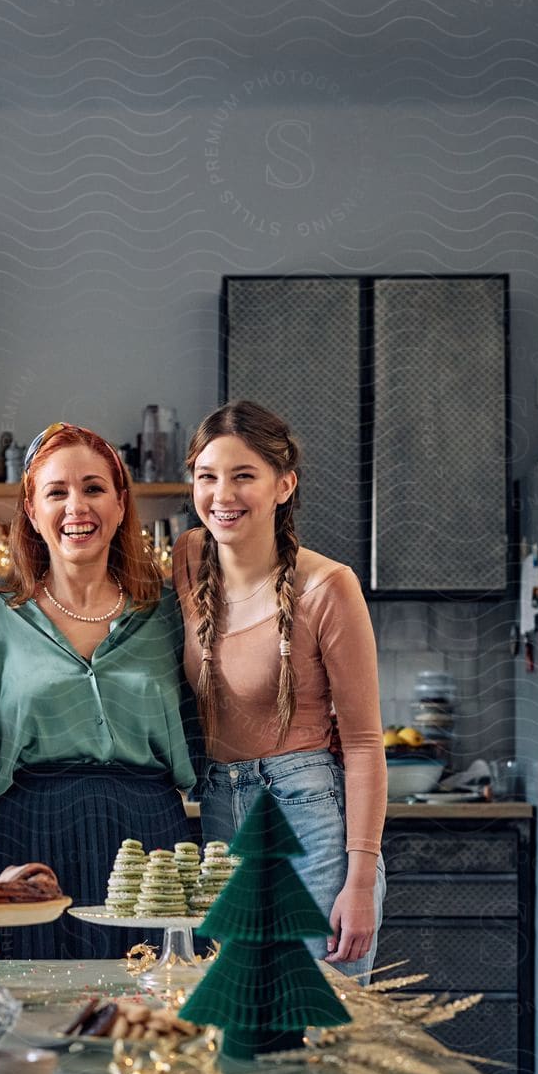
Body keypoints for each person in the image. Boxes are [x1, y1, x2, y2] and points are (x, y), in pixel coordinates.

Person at [0, 422, 195, 960]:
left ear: (121, 504)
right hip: (30, 843)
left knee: (154, 1020)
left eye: (94, 488)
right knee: (37, 1023)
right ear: (32, 511)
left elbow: (213, 737)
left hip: (153, 848)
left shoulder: (170, 616)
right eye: (57, 492)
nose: (77, 506)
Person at [174, 399, 386, 980]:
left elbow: (366, 743)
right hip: (221, 812)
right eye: (208, 476)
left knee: (315, 1025)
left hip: (308, 816)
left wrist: (360, 882)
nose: (223, 495)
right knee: (235, 1016)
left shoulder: (327, 587)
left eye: (245, 476)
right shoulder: (188, 560)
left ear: (284, 485)